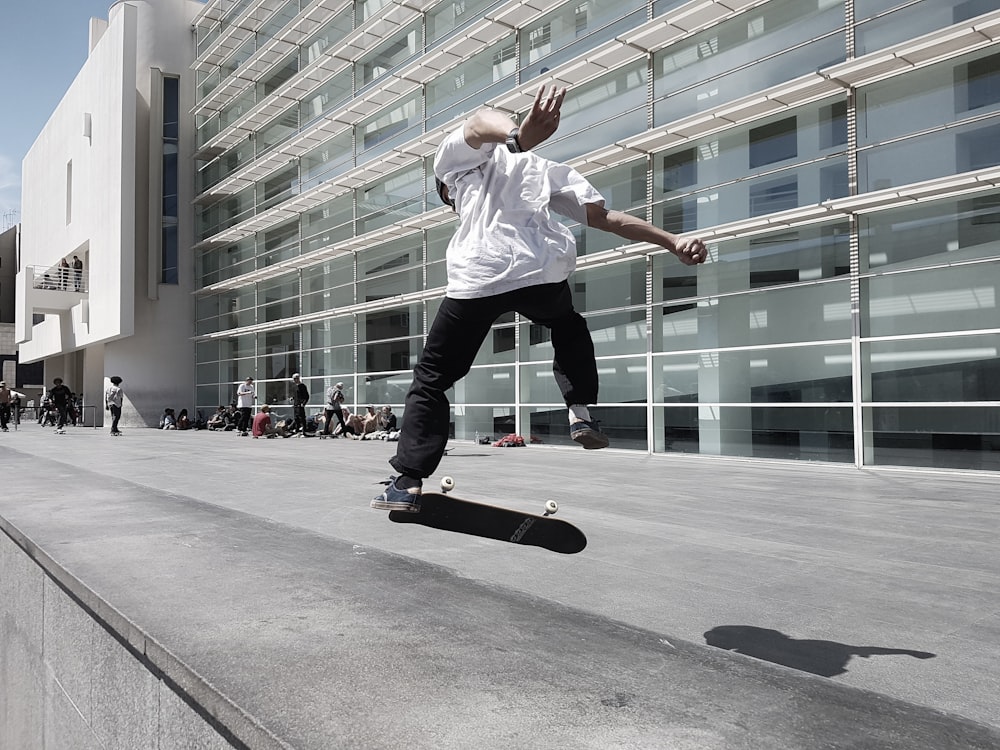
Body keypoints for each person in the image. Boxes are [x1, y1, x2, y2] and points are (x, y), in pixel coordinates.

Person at [373, 85, 706, 512]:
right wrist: (671, 240)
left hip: (481, 273)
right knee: (569, 326)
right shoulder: (544, 168)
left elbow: (477, 122)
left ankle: (407, 483)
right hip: (540, 272)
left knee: (432, 378)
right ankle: (580, 411)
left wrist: (517, 136)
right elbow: (606, 218)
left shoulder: (455, 169)